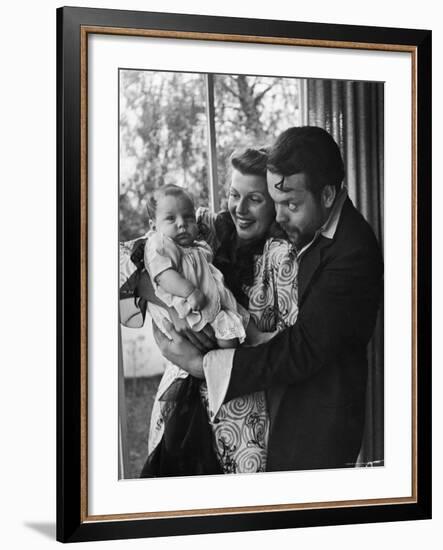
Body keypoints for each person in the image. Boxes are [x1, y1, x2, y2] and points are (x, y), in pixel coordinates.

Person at [153, 126, 384, 472]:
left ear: (326, 195)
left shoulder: (354, 252)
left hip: (310, 430)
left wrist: (202, 366)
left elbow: (300, 349)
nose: (278, 216)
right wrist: (165, 301)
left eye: (290, 204)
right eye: (275, 203)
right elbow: (157, 247)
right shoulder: (234, 233)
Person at [120, 147, 299, 474]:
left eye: (255, 199)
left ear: (274, 202)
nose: (240, 209)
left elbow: (292, 350)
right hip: (177, 399)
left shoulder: (282, 256)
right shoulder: (208, 226)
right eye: (233, 195)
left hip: (239, 417)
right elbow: (128, 259)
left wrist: (199, 362)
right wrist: (167, 302)